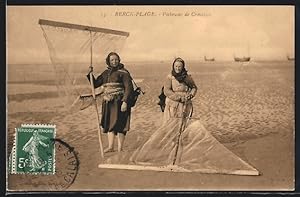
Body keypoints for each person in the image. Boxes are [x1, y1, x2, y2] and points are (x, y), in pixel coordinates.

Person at [87, 52, 133, 153]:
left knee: (121, 125)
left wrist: (125, 102)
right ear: (108, 61)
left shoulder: (124, 72)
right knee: (110, 124)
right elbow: (95, 84)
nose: (114, 61)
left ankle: (120, 148)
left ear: (119, 60)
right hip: (108, 102)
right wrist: (90, 74)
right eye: (112, 60)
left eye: (116, 59)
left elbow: (129, 88)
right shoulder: (105, 73)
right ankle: (111, 147)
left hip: (120, 102)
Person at [163, 57, 197, 124]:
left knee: (184, 124)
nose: (177, 68)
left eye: (179, 66)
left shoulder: (187, 77)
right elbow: (167, 91)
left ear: (183, 67)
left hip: (185, 104)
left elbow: (194, 88)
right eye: (176, 66)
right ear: (173, 66)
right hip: (173, 105)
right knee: (172, 124)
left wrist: (190, 95)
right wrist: (179, 98)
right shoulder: (170, 77)